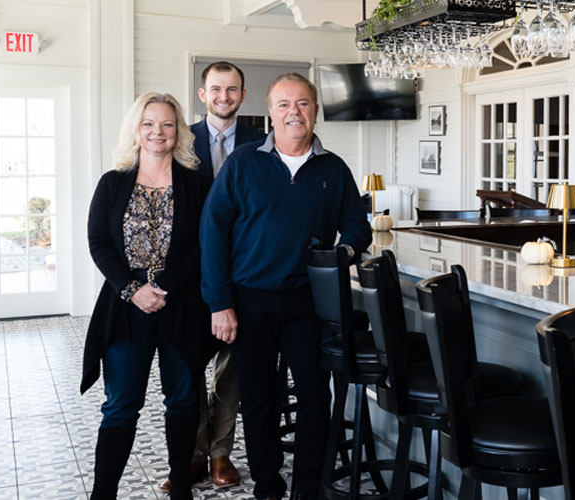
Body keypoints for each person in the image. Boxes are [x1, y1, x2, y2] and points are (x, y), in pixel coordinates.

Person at [200, 73, 371, 500]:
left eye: (303, 104)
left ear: (315, 109)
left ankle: (308, 487)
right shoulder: (243, 163)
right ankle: (268, 484)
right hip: (249, 298)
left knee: (316, 395)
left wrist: (344, 252)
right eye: (284, 104)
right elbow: (213, 233)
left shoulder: (333, 168)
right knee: (258, 400)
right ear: (270, 112)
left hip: (309, 302)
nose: (294, 112)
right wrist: (220, 303)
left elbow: (356, 225)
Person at [82, 92, 212, 500]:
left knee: (183, 398)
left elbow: (205, 245)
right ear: (136, 130)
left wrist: (166, 287)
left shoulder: (196, 183)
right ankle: (103, 493)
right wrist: (134, 289)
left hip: (182, 306)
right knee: (121, 403)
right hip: (126, 307)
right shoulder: (113, 183)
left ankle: (180, 488)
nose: (158, 132)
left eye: (168, 124)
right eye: (149, 124)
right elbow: (99, 242)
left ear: (179, 132)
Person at [159, 60, 266, 493]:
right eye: (216, 89)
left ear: (243, 94)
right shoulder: (180, 142)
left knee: (232, 369)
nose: (224, 96)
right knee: (187, 371)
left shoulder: (263, 143)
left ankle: (220, 452)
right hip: (190, 275)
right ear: (202, 94)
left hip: (244, 273)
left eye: (232, 89)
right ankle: (192, 454)